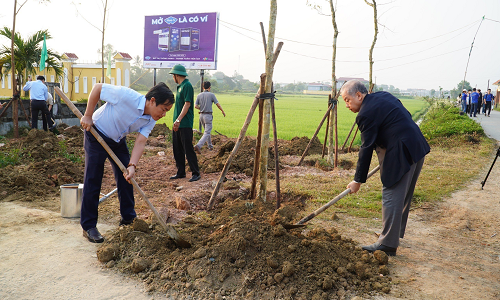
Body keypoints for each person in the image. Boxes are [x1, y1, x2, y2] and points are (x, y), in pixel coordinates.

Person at [341, 80, 430, 256]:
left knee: (391, 193)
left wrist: (358, 180)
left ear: (359, 95)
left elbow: (366, 148)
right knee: (403, 195)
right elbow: (403, 116)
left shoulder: (365, 114)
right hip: (416, 144)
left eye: (347, 100)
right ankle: (393, 234)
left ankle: (387, 244)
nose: (346, 105)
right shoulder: (383, 96)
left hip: (402, 151)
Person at [80, 82, 174, 243]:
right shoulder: (126, 96)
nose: (164, 114)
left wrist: (132, 166)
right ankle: (88, 226)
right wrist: (88, 115)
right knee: (93, 178)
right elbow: (97, 88)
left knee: (127, 178)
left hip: (117, 140)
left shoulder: (150, 119)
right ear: (152, 101)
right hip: (96, 134)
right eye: (163, 109)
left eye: (167, 111)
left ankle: (128, 218)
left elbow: (140, 141)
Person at [169, 64, 201, 182]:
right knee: (177, 149)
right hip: (177, 123)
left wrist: (178, 120)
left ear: (177, 75)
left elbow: (187, 104)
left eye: (173, 75)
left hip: (185, 123)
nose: (173, 78)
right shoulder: (180, 86)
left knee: (187, 149)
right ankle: (180, 172)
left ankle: (196, 173)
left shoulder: (187, 86)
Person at [194, 81, 226, 153]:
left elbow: (195, 106)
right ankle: (198, 145)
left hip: (201, 116)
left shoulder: (199, 95)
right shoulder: (211, 95)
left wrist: (201, 109)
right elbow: (217, 104)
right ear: (209, 87)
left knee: (207, 131)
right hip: (208, 116)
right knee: (207, 132)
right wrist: (222, 111)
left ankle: (210, 146)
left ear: (203, 87)